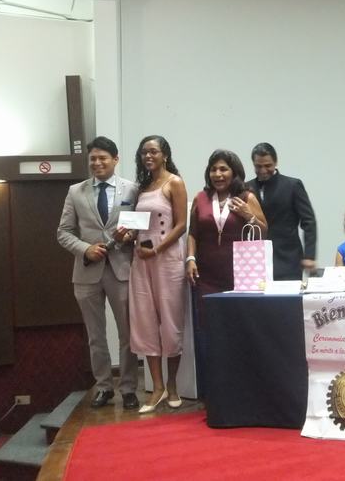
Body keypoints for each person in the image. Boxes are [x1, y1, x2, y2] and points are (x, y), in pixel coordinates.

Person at [57, 136, 139, 410]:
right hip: (86, 272)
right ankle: (104, 387)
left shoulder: (132, 189)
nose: (97, 162)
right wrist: (85, 249)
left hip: (121, 270)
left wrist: (129, 236)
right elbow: (63, 232)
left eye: (103, 157)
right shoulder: (75, 191)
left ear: (115, 159)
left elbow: (138, 227)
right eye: (93, 158)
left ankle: (128, 388)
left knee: (128, 333)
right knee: (95, 335)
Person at [126, 135, 188, 413]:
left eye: (153, 151)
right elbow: (139, 226)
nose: (148, 156)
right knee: (145, 321)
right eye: (143, 152)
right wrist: (127, 234)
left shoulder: (174, 182)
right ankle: (157, 387)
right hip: (142, 260)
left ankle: (173, 385)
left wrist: (158, 249)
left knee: (171, 323)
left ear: (165, 154)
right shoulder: (142, 188)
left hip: (167, 259)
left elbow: (181, 224)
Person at [185, 149, 267, 296]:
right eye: (213, 170)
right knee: (206, 310)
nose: (217, 174)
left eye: (223, 169)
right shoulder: (200, 198)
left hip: (239, 273)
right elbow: (193, 233)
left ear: (234, 173)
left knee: (236, 311)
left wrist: (248, 215)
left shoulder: (246, 197)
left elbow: (263, 232)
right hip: (205, 274)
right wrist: (190, 258)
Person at [246, 142, 317, 280]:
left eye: (268, 165)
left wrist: (309, 256)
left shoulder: (292, 185)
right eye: (258, 166)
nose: (263, 170)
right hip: (256, 259)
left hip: (288, 259)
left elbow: (308, 221)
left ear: (276, 162)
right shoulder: (247, 188)